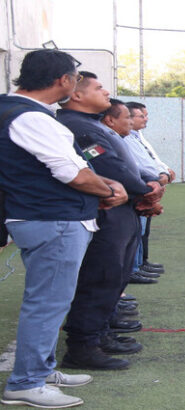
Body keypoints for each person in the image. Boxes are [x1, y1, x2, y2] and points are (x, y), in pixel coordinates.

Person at [0, 50, 127, 408]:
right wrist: (110, 190)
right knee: (47, 304)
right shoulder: (31, 118)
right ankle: (27, 381)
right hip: (53, 220)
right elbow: (70, 172)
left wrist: (98, 185)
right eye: (75, 76)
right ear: (64, 81)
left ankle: (39, 368)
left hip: (44, 216)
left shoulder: (20, 112)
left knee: (48, 302)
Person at [57, 73, 164, 370]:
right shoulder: (77, 126)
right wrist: (145, 190)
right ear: (77, 95)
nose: (106, 91)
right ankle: (83, 347)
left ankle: (100, 335)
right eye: (98, 87)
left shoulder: (90, 124)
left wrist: (146, 188)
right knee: (100, 277)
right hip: (107, 210)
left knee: (114, 277)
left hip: (121, 207)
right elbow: (107, 166)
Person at [122, 103, 170, 283]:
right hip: (141, 186)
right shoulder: (125, 138)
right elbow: (136, 165)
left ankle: (140, 263)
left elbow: (151, 159)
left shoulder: (135, 136)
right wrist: (156, 177)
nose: (145, 119)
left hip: (150, 183)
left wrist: (163, 173)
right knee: (136, 230)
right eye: (140, 116)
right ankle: (133, 268)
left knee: (141, 230)